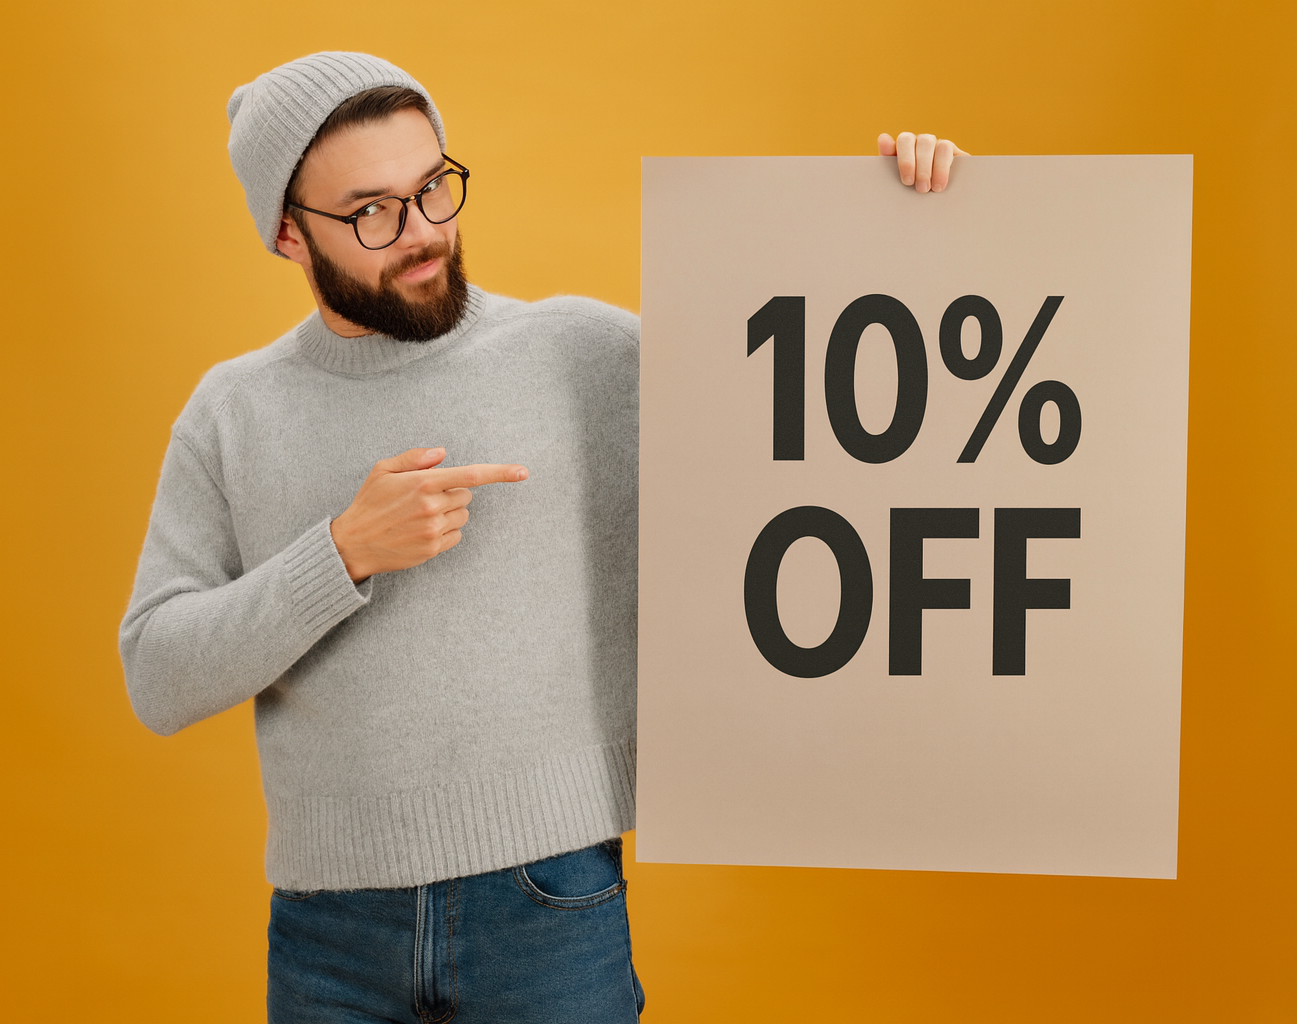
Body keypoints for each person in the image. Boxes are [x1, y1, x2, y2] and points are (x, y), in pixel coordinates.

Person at [119, 51, 963, 1024]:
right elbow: (158, 673)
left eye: (434, 187)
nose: (425, 233)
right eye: (372, 211)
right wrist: (341, 552)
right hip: (327, 935)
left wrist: (910, 224)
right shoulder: (232, 414)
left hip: (550, 908)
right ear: (284, 234)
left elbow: (828, 410)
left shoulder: (587, 354)